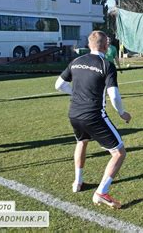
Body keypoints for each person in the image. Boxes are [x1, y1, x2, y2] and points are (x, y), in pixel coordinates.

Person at [55, 30, 132, 209]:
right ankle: (101, 192)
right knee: (119, 152)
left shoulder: (76, 61)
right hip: (94, 115)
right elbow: (114, 95)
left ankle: (77, 182)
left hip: (74, 113)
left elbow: (58, 85)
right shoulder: (107, 64)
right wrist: (122, 113)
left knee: (82, 142)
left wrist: (74, 93)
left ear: (89, 45)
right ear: (106, 46)